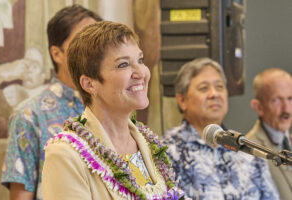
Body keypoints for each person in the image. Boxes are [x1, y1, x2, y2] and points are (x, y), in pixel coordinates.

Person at [42, 21, 188, 200]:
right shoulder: (65, 154)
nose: (141, 72)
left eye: (140, 61)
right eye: (123, 65)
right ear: (89, 84)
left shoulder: (148, 143)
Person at [1, 5, 102, 200]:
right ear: (57, 54)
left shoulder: (109, 108)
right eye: (84, 42)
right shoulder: (30, 115)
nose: (94, 51)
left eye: (98, 43)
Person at [163, 58, 279, 199]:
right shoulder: (168, 151)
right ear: (182, 100)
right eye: (204, 88)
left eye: (219, 87)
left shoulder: (246, 148)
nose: (214, 94)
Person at [246, 68, 292, 200]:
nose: (286, 109)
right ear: (258, 107)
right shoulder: (249, 150)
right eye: (276, 100)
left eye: (290, 98)